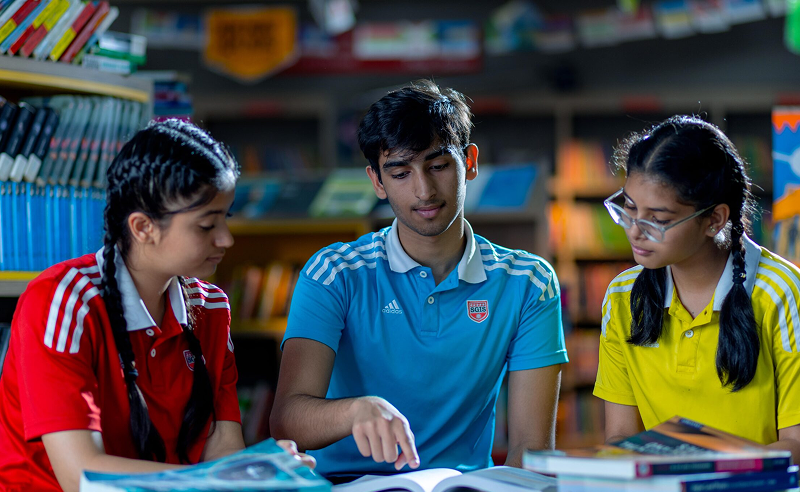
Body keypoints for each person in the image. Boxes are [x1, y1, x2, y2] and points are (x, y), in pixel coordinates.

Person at [270, 80, 568, 479]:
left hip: (463, 487)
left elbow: (531, 450)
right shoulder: (334, 274)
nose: (423, 190)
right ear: (377, 182)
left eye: (438, 165)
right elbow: (286, 420)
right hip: (345, 486)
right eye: (399, 173)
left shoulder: (529, 282)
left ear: (470, 162)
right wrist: (356, 410)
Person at [0, 120, 312, 492]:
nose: (226, 239)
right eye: (206, 225)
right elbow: (82, 477)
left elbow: (222, 448)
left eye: (225, 218)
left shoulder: (211, 307)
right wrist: (222, 479)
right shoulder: (61, 301)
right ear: (143, 227)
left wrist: (263, 472)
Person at [594, 115, 800, 463]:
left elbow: (795, 446)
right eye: (628, 208)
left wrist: (706, 475)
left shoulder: (780, 293)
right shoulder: (622, 298)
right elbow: (621, 439)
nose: (634, 231)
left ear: (715, 219)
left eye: (658, 220)